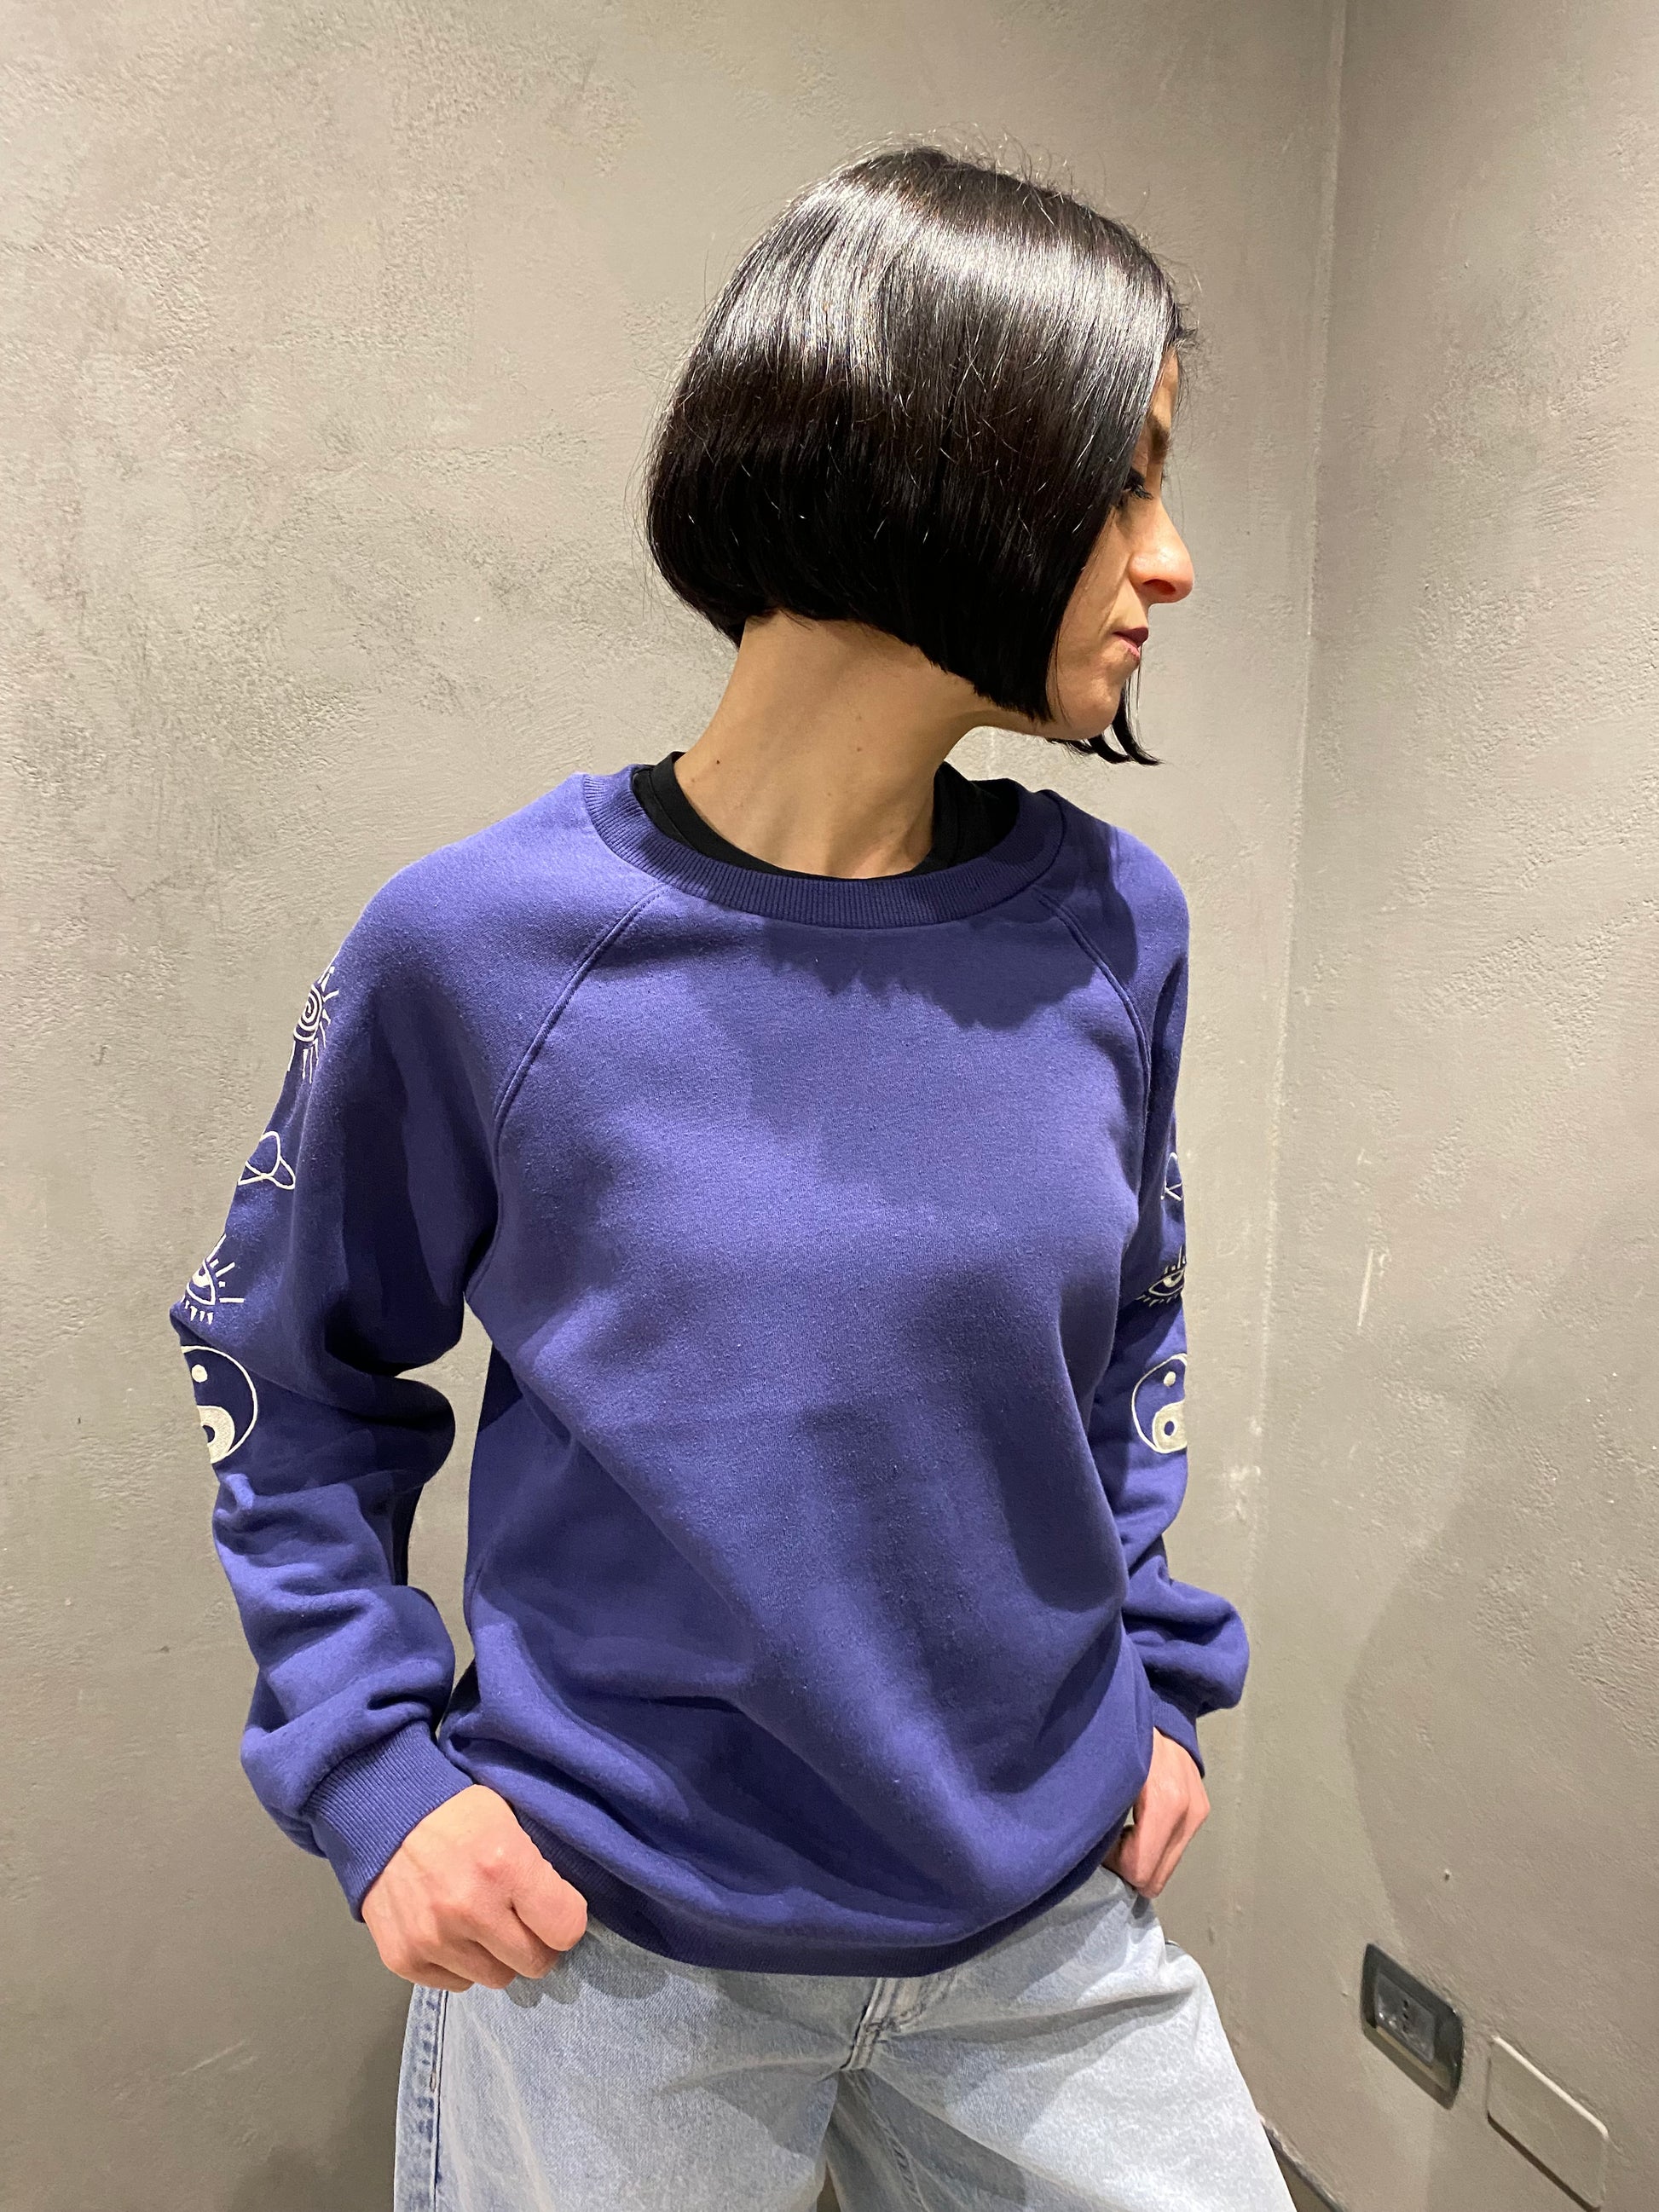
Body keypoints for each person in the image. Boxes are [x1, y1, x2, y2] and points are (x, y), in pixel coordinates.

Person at [170, 141, 1294, 2211]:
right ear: (943, 461)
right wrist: (371, 1767)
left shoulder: (1112, 925)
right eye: (1125, 483)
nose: (1173, 562)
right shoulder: (481, 951)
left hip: (1043, 1929)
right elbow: (290, 1377)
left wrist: (1155, 1670)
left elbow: (1127, 1336)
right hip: (618, 1960)